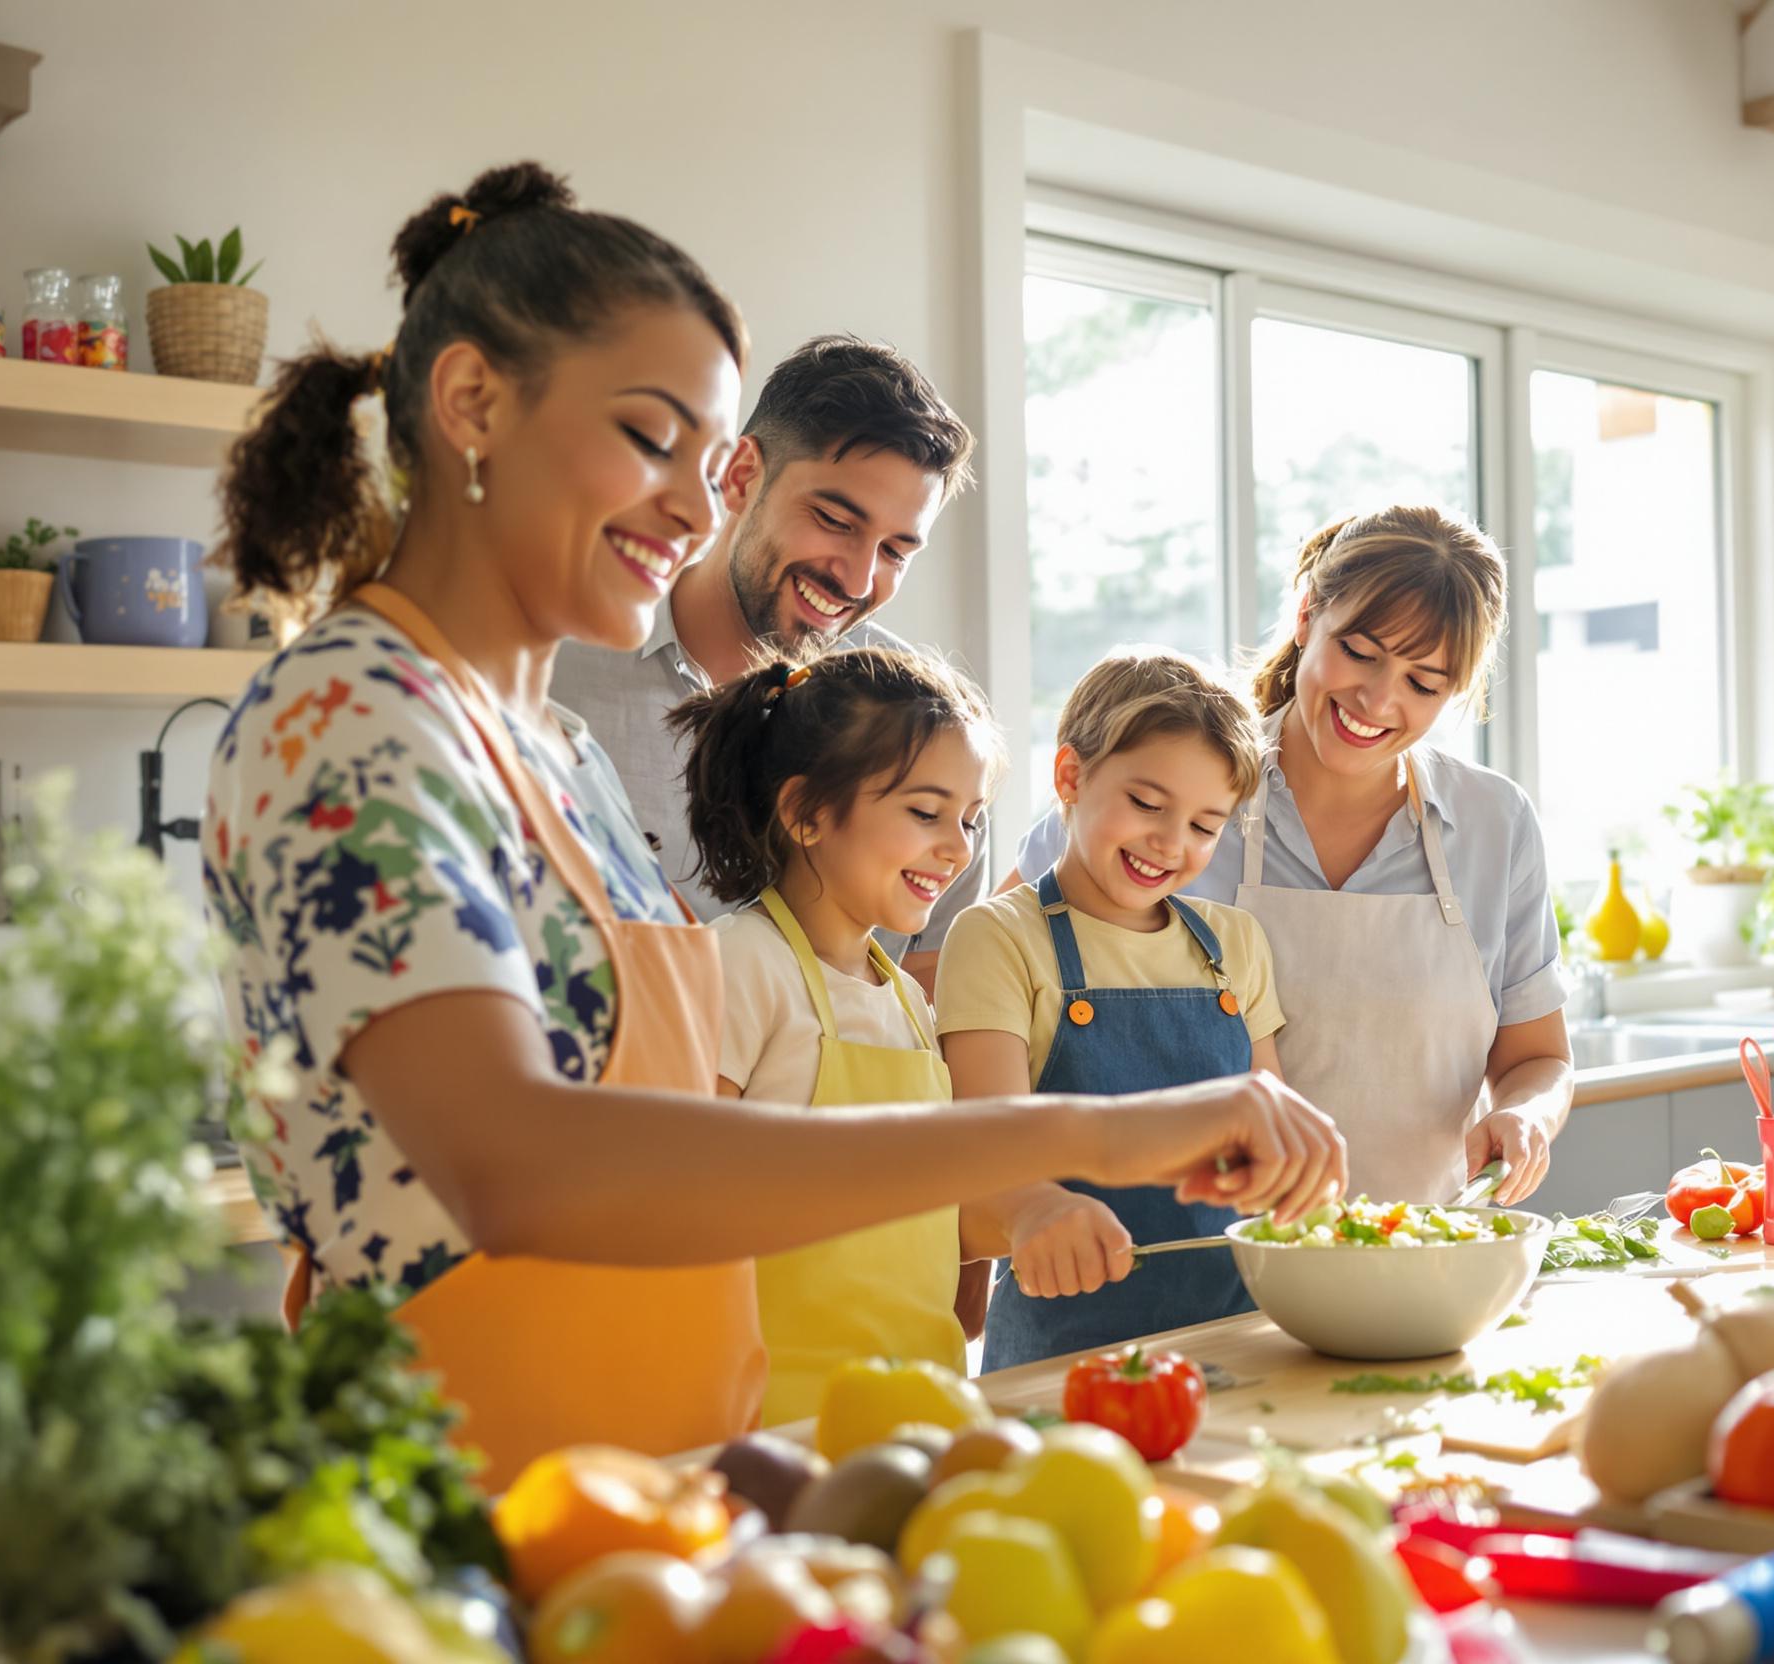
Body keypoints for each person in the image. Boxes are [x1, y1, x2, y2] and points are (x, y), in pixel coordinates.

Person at [201, 162, 1344, 1488]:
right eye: (649, 439)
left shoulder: (549, 746)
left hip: (653, 1479)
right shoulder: (354, 716)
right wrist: (1086, 1134)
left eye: (707, 460)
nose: (695, 507)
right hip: (458, 1495)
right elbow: (515, 1168)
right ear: (471, 404)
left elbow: (680, 1127)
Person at [1013, 506, 1572, 1210]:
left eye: (1423, 683)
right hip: (1176, 1266)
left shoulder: (1497, 824)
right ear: (1308, 616)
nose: (1377, 699)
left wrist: (1527, 1114)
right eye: (1360, 652)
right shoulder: (1178, 792)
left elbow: (1538, 1058)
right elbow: (994, 962)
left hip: (1419, 1262)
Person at [548, 335, 983, 991]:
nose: (859, 578)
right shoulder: (553, 667)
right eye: (835, 519)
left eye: (896, 551)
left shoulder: (927, 731)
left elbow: (927, 1018)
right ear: (742, 476)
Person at [669, 646, 996, 1422]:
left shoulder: (909, 1002)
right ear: (806, 812)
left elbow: (939, 1226)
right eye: (926, 813)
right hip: (780, 1423)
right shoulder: (743, 963)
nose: (959, 848)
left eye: (971, 820)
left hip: (921, 1411)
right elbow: (678, 1209)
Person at [938, 650, 1280, 1369]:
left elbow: (1271, 1134)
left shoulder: (1235, 944)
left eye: (1205, 825)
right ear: (1071, 776)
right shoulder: (998, 936)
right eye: (1148, 805)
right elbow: (978, 1151)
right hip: (1064, 1354)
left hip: (1238, 1335)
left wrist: (1295, 1179)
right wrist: (1034, 1206)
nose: (1171, 843)